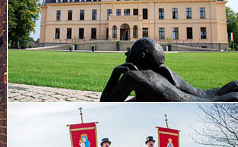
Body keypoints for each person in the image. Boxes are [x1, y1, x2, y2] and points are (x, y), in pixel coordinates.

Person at [100, 37, 238, 102]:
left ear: (141, 55)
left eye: (131, 50)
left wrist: (115, 73)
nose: (126, 53)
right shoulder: (165, 73)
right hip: (199, 100)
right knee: (216, 92)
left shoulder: (132, 77)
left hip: (196, 106)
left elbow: (105, 105)